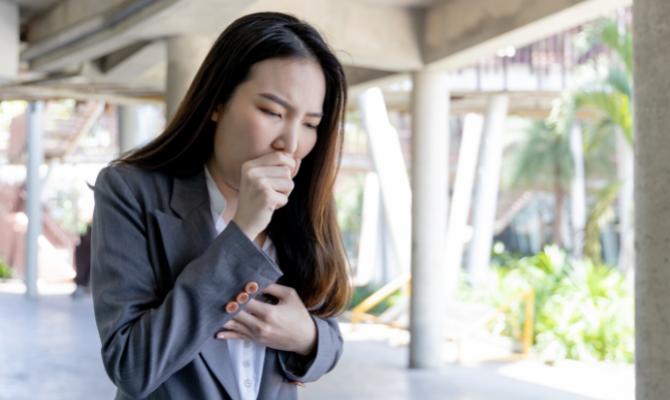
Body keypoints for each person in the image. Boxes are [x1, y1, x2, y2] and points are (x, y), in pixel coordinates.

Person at [91, 12, 350, 400]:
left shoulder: (302, 202)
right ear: (217, 102)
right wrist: (243, 230)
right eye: (273, 112)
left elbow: (329, 332)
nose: (291, 143)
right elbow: (132, 366)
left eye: (311, 123)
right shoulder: (131, 191)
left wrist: (307, 337)